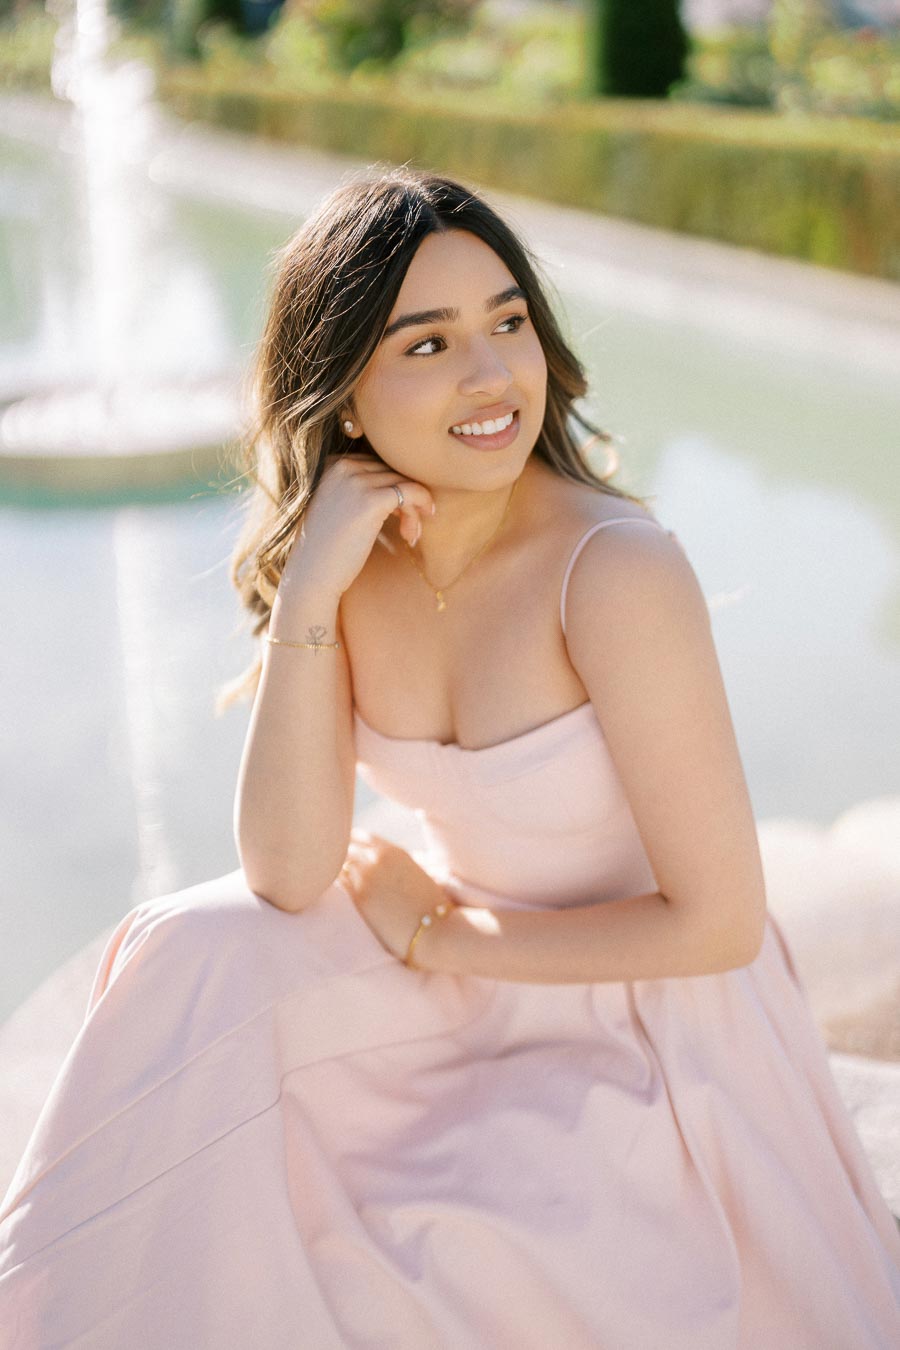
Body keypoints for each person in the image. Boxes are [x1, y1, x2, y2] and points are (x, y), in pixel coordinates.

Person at [0, 167, 898, 1349]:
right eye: (426, 344)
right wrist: (308, 590)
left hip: (645, 1016)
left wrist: (437, 934)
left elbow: (720, 926)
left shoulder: (614, 571)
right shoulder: (353, 563)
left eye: (508, 323)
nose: (491, 377)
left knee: (438, 1248)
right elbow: (285, 868)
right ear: (349, 397)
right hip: (462, 971)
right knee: (191, 952)